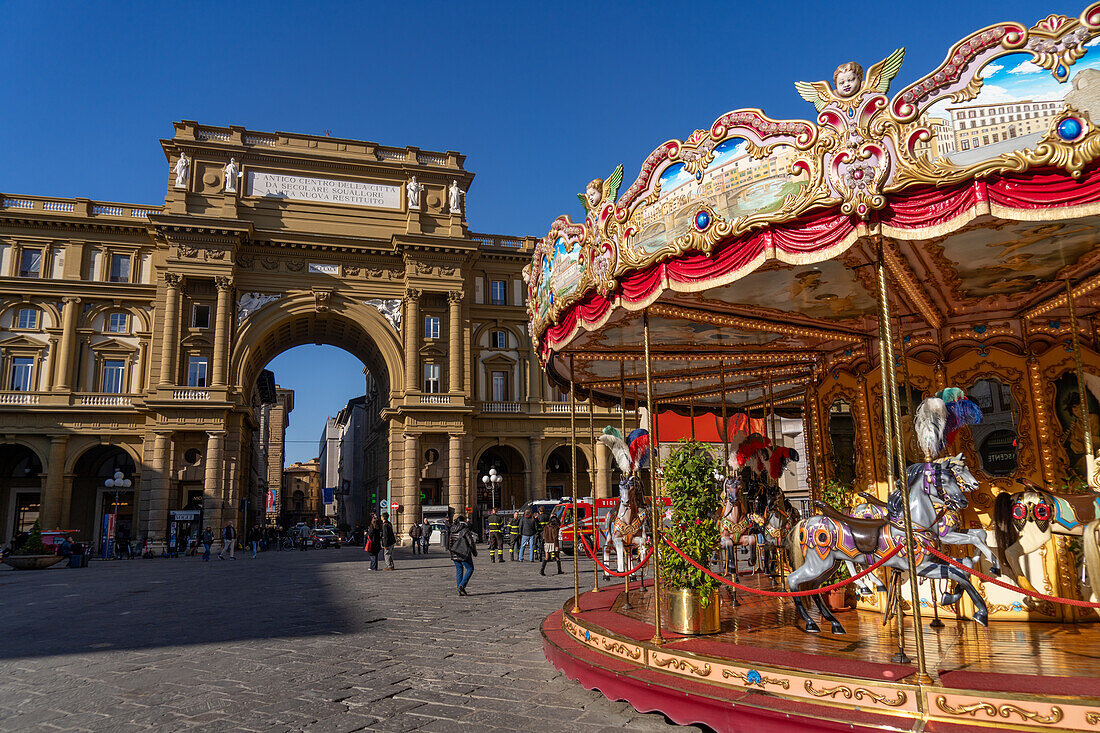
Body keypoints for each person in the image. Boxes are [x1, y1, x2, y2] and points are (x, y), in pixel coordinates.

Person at [448, 514, 477, 595]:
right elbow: (471, 542)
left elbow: (450, 543)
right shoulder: (465, 529)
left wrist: (452, 553)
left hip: (454, 553)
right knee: (470, 568)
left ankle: (459, 591)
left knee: (459, 571)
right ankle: (461, 586)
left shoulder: (452, 529)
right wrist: (474, 551)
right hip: (463, 554)